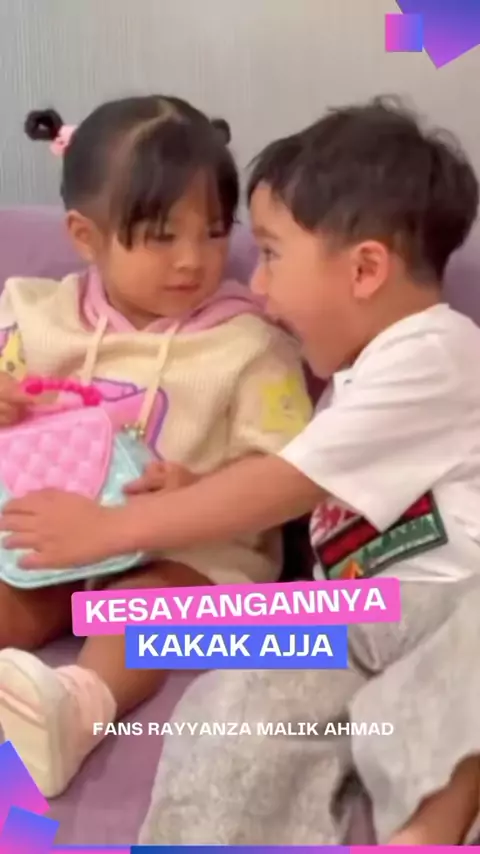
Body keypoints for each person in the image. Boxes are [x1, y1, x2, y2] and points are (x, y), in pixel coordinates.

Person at [2, 95, 480, 842]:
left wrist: (111, 529)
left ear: (365, 269)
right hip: (344, 619)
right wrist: (187, 497)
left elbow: (284, 483)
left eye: (273, 255)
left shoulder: (436, 353)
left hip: (441, 604)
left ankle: (426, 833)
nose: (255, 285)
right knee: (219, 707)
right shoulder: (352, 381)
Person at [0, 96, 312, 798]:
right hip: (52, 545)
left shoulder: (251, 345)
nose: (192, 260)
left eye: (214, 232)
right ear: (86, 236)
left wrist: (196, 489)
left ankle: (78, 708)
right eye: (161, 237)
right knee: (12, 592)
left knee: (141, 609)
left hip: (190, 559)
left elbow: (294, 473)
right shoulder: (34, 314)